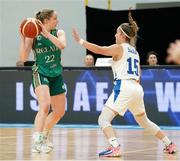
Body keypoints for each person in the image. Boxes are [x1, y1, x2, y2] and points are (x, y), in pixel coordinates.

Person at [72, 9, 176, 157]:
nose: (115, 35)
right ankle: (169, 143)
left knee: (103, 119)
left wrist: (80, 41)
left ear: (122, 35)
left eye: (116, 32)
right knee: (144, 121)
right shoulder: (134, 51)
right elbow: (138, 73)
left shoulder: (118, 47)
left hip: (125, 86)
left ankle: (115, 146)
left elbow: (99, 50)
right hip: (137, 87)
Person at [17, 9, 66, 153]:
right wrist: (23, 38)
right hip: (41, 72)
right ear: (46, 20)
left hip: (56, 73)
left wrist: (46, 32)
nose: (57, 21)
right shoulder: (34, 35)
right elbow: (24, 57)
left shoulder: (59, 32)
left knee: (59, 111)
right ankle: (37, 141)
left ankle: (44, 134)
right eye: (55, 18)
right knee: (45, 105)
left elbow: (62, 46)